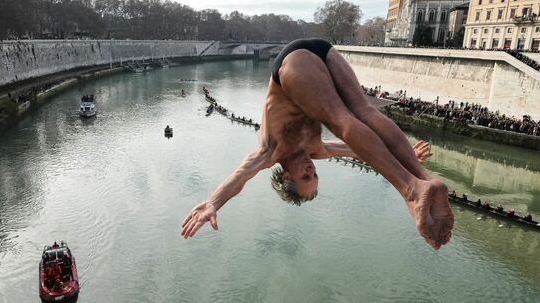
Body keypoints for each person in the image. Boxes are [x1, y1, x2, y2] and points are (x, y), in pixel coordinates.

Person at [181, 38, 454, 250]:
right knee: (365, 111)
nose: (311, 170)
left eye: (305, 176)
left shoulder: (269, 151)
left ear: (286, 176)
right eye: (314, 175)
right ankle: (424, 179)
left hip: (292, 63)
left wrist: (213, 202)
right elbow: (360, 151)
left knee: (341, 119)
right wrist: (408, 156)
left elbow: (240, 176)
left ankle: (411, 190)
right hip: (324, 51)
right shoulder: (317, 151)